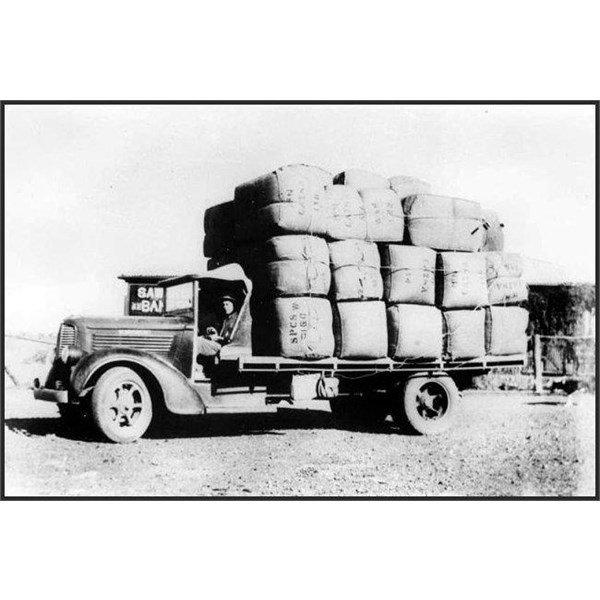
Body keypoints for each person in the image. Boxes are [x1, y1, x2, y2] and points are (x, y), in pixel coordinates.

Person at [196, 294, 239, 359]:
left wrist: (216, 338)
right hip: (221, 345)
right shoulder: (226, 319)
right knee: (198, 339)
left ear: (234, 305)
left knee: (198, 342)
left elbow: (230, 339)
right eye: (223, 305)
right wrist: (215, 334)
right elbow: (223, 336)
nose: (224, 307)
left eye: (227, 304)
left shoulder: (236, 319)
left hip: (226, 348)